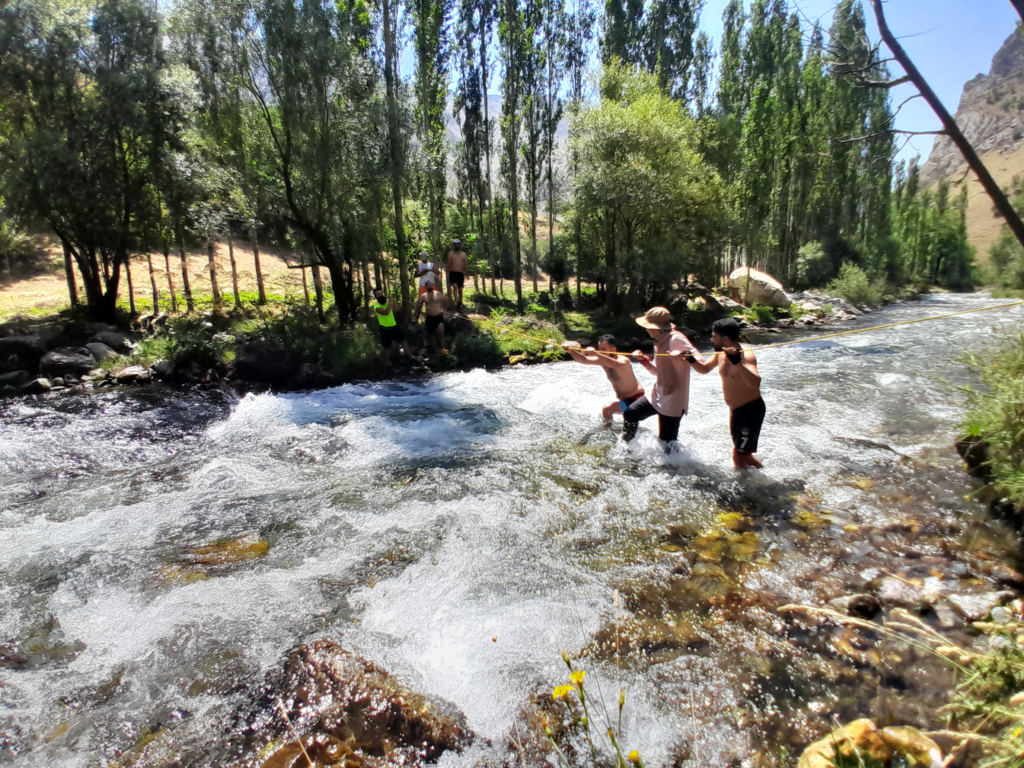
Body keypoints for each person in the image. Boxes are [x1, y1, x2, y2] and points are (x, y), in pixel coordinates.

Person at [685, 317, 765, 470]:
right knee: (745, 455)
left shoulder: (745, 355)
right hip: (736, 411)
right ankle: (762, 482)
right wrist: (691, 360)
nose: (711, 338)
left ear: (725, 338)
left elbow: (755, 383)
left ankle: (743, 491)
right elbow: (704, 369)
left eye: (714, 335)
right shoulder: (720, 353)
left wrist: (737, 362)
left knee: (739, 456)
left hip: (751, 411)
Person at [624, 307, 704, 445]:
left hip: (674, 399)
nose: (646, 330)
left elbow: (701, 361)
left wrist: (685, 355)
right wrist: (643, 360)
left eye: (648, 327)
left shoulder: (676, 338)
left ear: (657, 327)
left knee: (666, 443)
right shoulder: (659, 341)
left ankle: (676, 466)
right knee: (631, 413)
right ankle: (628, 448)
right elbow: (658, 372)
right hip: (658, 394)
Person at [562, 335, 644, 423]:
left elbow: (613, 364)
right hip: (625, 400)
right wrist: (571, 351)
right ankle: (612, 431)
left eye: (603, 349)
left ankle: (608, 432)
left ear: (613, 349)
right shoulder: (602, 360)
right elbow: (583, 359)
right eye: (599, 349)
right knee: (622, 421)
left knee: (607, 409)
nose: (601, 351)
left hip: (636, 399)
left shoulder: (624, 360)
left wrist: (596, 353)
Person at [373, 288, 413, 369]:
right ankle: (387, 363)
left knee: (403, 341)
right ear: (375, 296)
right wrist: (390, 302)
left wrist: (393, 301)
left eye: (381, 294)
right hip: (385, 329)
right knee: (387, 347)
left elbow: (397, 309)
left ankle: (411, 357)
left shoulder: (388, 302)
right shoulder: (376, 306)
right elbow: (386, 312)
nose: (380, 295)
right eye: (378, 294)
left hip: (394, 326)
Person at [414, 280, 449, 354]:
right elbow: (417, 305)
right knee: (431, 335)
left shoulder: (438, 294)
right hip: (429, 318)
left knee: (441, 331)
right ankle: (435, 350)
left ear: (433, 286)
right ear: (426, 286)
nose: (430, 286)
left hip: (438, 317)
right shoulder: (424, 296)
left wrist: (444, 310)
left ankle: (443, 348)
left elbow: (446, 300)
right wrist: (421, 313)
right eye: (428, 285)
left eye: (431, 285)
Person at [446, 238, 468, 310]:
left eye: (458, 244)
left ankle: (460, 302)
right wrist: (447, 273)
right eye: (455, 245)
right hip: (453, 273)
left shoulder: (463, 254)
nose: (457, 246)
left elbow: (465, 264)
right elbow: (449, 264)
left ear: (460, 245)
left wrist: (467, 273)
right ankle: (457, 301)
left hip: (460, 274)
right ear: (453, 246)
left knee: (460, 290)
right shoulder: (450, 254)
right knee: (455, 287)